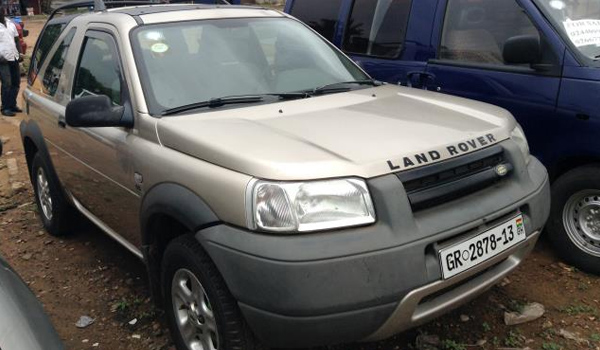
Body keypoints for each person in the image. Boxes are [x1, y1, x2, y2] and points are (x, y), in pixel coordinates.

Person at [0, 9, 19, 117]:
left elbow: (16, 39)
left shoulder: (10, 23)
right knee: (7, 83)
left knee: (16, 83)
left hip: (14, 57)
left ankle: (12, 105)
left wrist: (20, 53)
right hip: (2, 60)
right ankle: (5, 107)